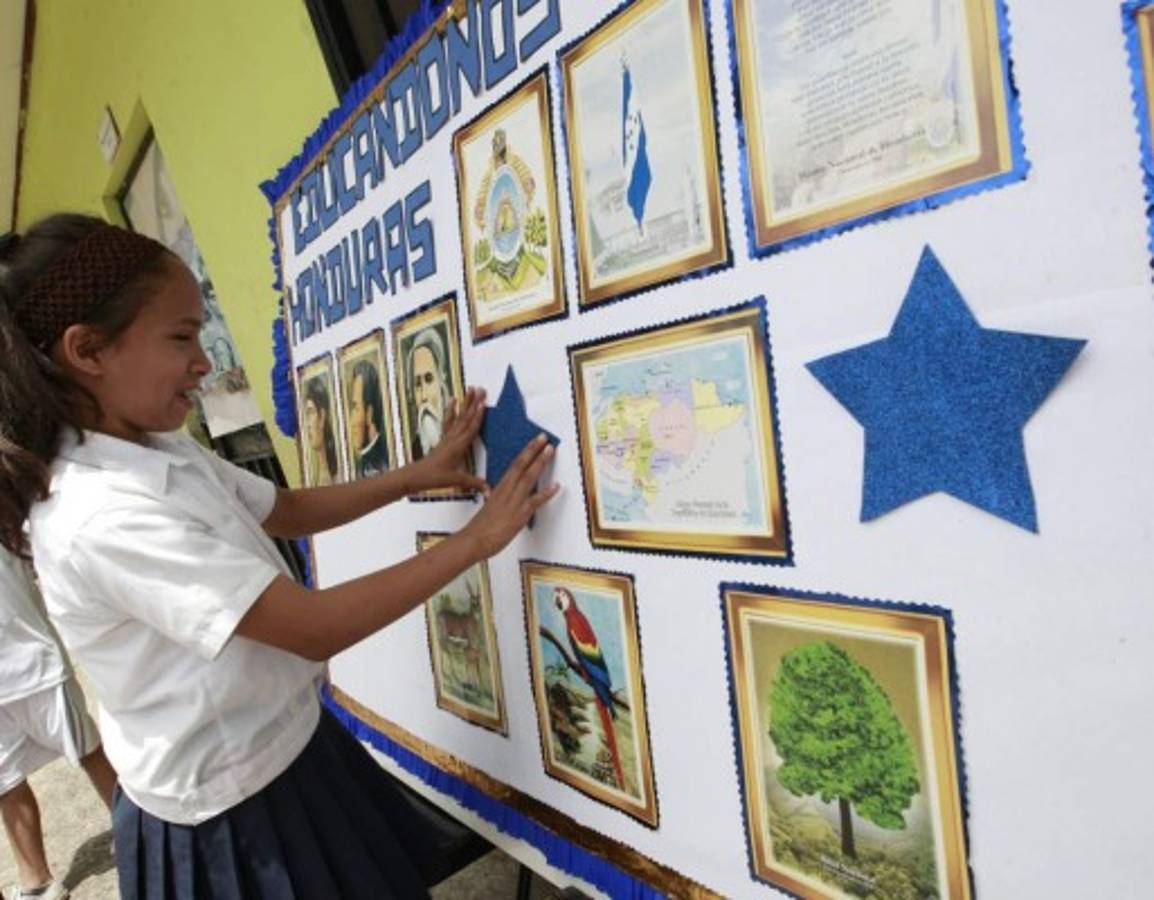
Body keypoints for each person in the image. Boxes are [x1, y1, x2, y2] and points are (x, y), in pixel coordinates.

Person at [0, 214, 559, 899]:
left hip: (291, 751)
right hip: (231, 815)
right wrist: (478, 539)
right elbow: (312, 625)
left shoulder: (157, 447)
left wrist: (420, 473)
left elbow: (284, 511)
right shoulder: (100, 514)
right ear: (88, 350)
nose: (205, 360)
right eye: (181, 338)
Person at [0, 546, 118, 900]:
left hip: (33, 665)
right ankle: (37, 881)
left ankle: (140, 831)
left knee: (89, 751)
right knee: (5, 783)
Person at [406, 326, 451, 462]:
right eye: (418, 384)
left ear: (441, 381)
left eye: (429, 379)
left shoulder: (457, 434)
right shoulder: (413, 451)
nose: (424, 396)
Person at [346, 358, 389, 478]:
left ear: (369, 413)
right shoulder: (361, 464)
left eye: (355, 408)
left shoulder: (384, 461)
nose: (351, 421)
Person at [303, 375, 338, 485]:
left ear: (322, 417)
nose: (307, 424)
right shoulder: (314, 476)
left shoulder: (338, 473)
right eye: (306, 415)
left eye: (310, 412)